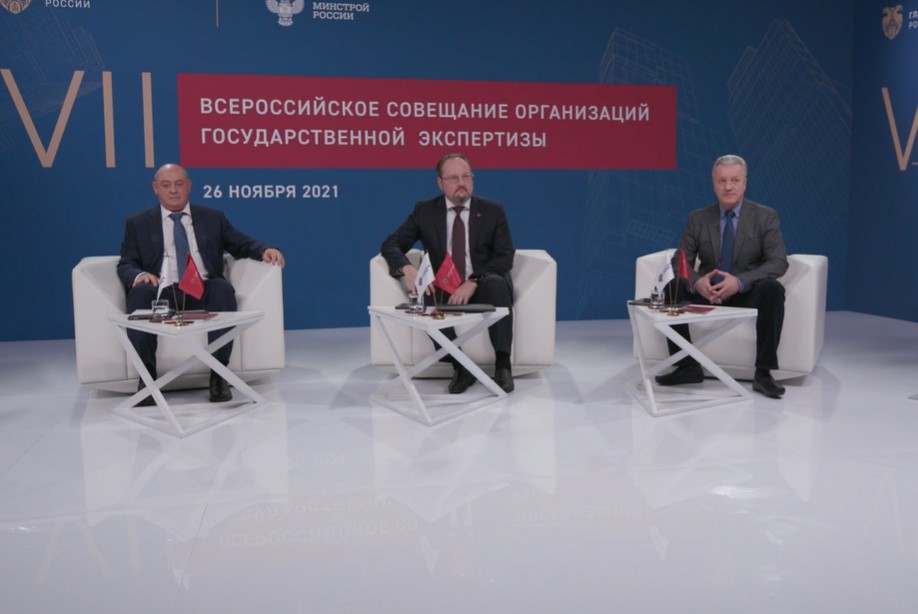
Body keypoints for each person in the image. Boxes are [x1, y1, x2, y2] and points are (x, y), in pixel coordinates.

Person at [117, 163, 285, 406]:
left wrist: (265, 250)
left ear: (189, 186)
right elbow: (126, 263)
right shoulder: (138, 223)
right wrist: (139, 274)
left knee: (222, 290)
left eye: (179, 184)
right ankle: (147, 379)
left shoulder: (212, 218)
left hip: (201, 287)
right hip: (160, 291)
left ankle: (219, 375)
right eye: (166, 185)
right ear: (155, 188)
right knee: (140, 294)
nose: (173, 190)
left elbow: (241, 243)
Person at [380, 153, 516, 394]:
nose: (461, 183)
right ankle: (459, 366)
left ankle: (503, 364)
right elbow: (392, 244)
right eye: (453, 178)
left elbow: (504, 255)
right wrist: (407, 269)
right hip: (445, 285)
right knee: (427, 292)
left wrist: (474, 280)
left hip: (482, 282)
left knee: (496, 284)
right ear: (440, 183)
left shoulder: (493, 211)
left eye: (466, 176)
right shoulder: (425, 211)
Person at [655, 154, 788, 398]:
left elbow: (778, 261)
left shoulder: (765, 217)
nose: (728, 187)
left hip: (745, 292)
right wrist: (698, 282)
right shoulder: (698, 218)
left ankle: (763, 373)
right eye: (722, 181)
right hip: (707, 293)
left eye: (735, 180)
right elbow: (679, 260)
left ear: (744, 183)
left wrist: (740, 282)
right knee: (673, 286)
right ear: (714, 184)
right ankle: (687, 366)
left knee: (773, 289)